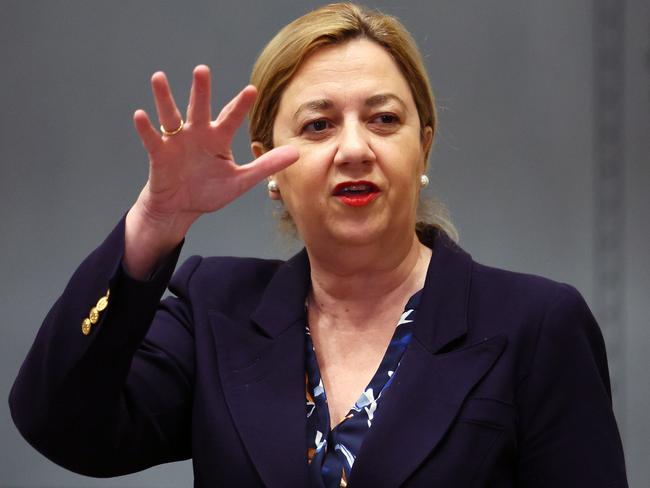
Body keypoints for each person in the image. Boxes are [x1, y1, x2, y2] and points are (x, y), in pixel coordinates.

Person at [9, 3, 627, 487]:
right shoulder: (214, 310)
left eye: (384, 119)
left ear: (423, 149)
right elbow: (57, 421)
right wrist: (155, 220)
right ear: (269, 167)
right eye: (318, 124)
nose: (355, 149)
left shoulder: (536, 326)